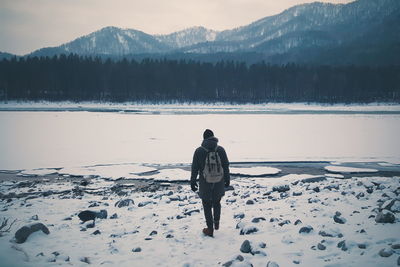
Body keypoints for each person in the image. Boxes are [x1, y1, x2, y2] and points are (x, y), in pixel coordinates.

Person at [190, 129, 230, 237]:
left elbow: (194, 168)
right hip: (219, 182)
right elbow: (226, 166)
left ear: (203, 138)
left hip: (205, 182)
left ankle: (210, 229)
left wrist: (193, 181)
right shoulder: (221, 150)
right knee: (217, 202)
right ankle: (216, 223)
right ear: (213, 137)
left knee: (207, 204)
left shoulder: (199, 151)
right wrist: (227, 179)